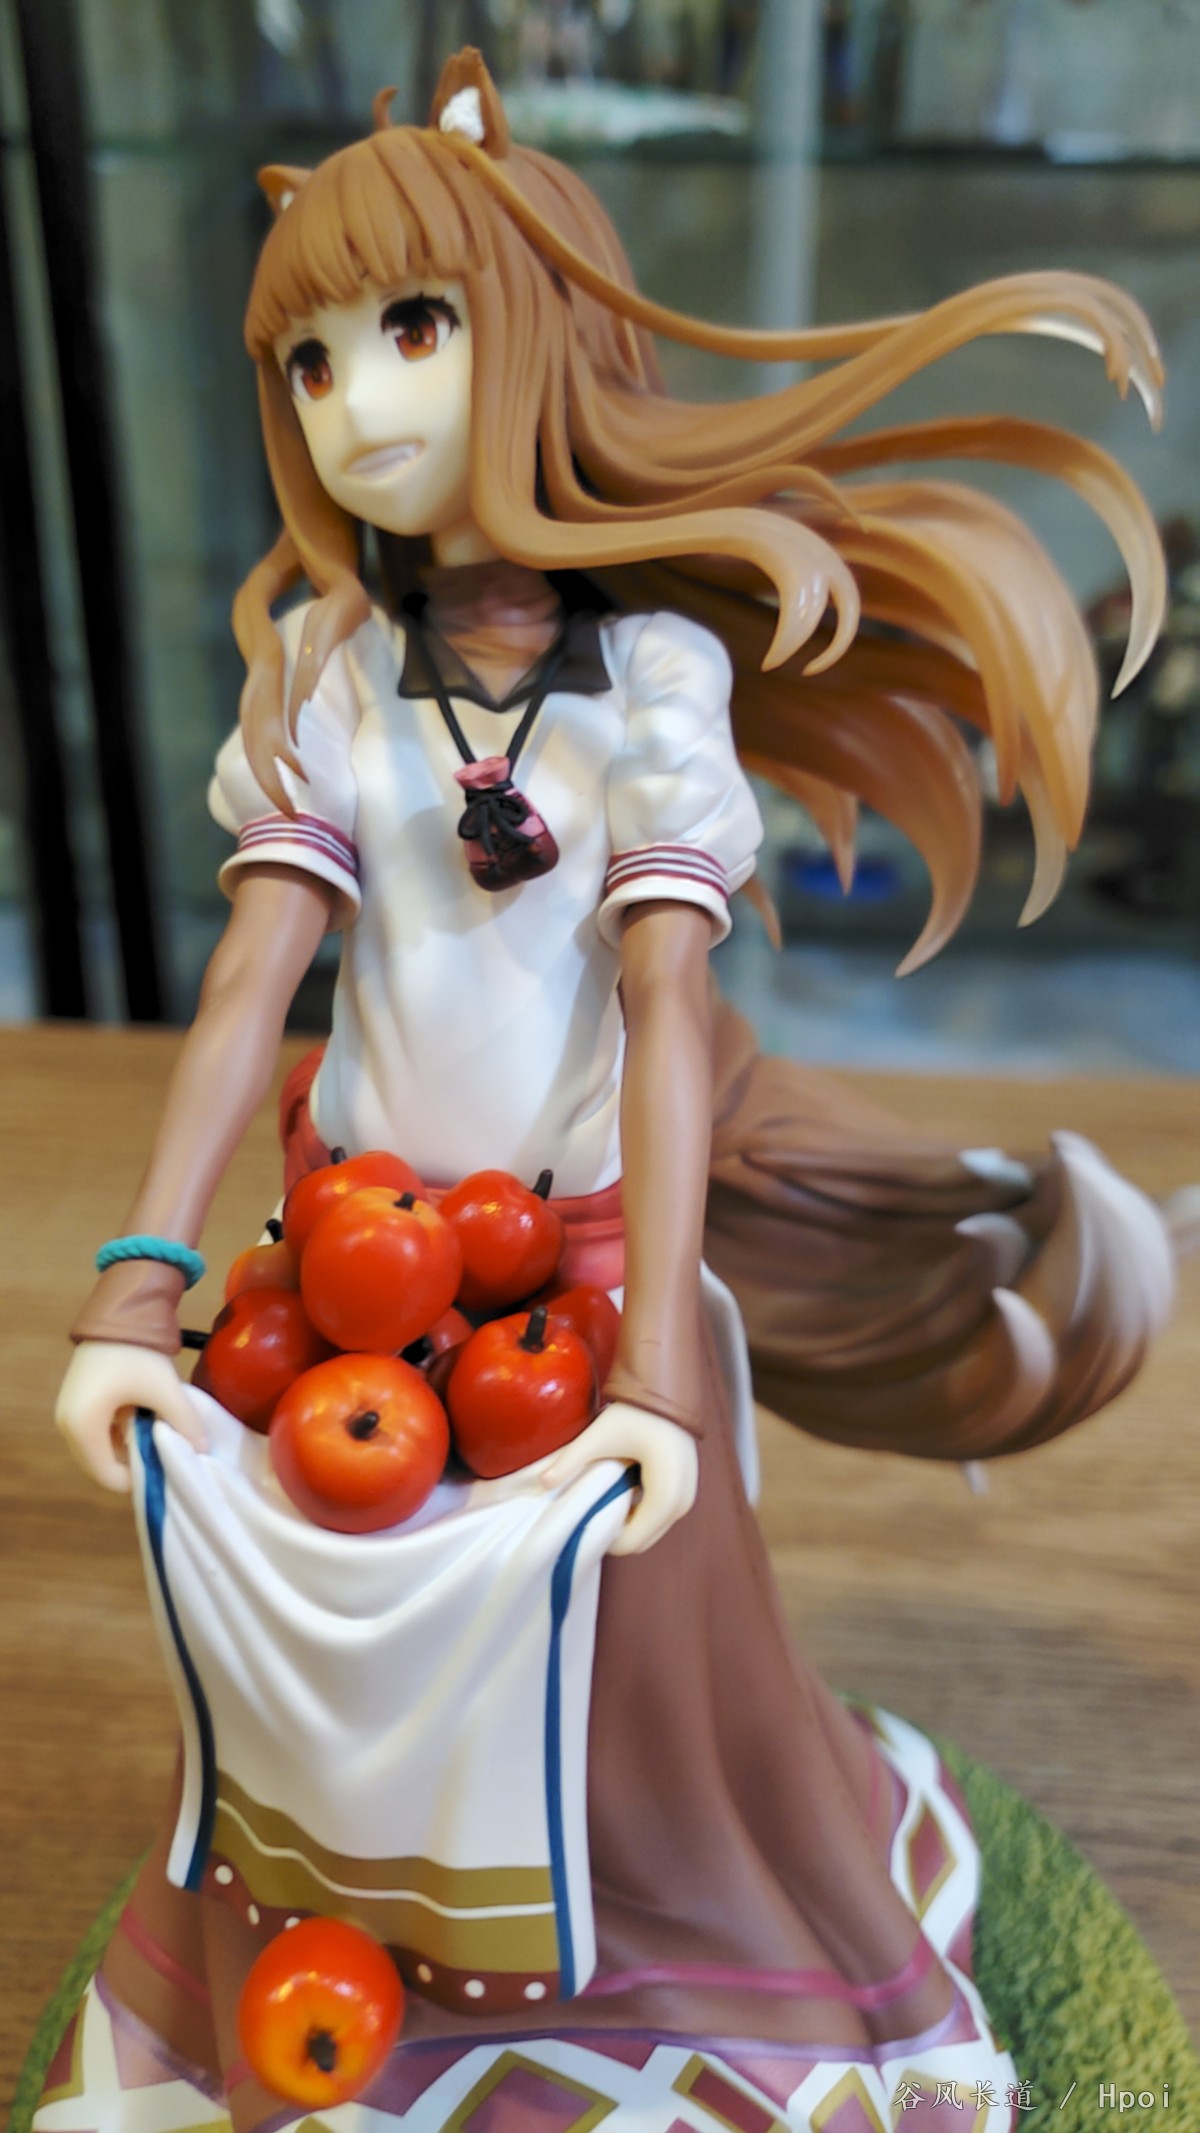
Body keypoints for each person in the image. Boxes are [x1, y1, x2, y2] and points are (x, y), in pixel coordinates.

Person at [41, 48, 1175, 2133]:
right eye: (309, 362)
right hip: (334, 1284)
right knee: (279, 1647)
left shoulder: (653, 680)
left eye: (412, 329)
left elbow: (666, 1010)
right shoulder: (327, 679)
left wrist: (656, 1359)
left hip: (573, 1293)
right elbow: (248, 984)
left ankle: (701, 2012)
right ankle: (304, 2003)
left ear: (537, 333)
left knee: (640, 1703)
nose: (356, 405)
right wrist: (138, 1280)